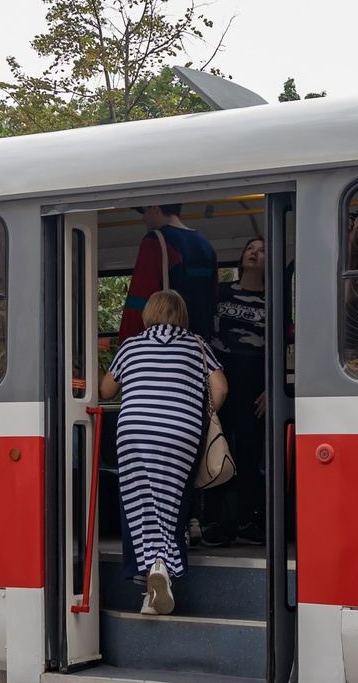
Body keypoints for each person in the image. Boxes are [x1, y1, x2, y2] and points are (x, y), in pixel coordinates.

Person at [99, 287, 227, 616]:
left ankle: (150, 585)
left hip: (134, 434)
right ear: (182, 316)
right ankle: (160, 569)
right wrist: (203, 417)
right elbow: (221, 387)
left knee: (138, 507)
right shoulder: (197, 345)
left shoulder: (130, 346)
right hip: (181, 432)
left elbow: (106, 390)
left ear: (149, 315)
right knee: (172, 506)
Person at [205, 237, 272, 545]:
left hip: (255, 385)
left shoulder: (274, 297)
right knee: (216, 449)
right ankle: (213, 523)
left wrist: (272, 388)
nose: (254, 254)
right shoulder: (221, 291)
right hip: (220, 379)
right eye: (250, 249)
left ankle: (248, 520)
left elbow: (281, 346)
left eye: (262, 251)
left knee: (249, 453)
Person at [119, 203, 218, 341]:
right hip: (200, 343)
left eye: (144, 211)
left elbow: (139, 300)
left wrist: (129, 343)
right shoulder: (206, 246)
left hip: (167, 343)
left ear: (155, 207)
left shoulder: (155, 241)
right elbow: (213, 299)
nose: (143, 218)